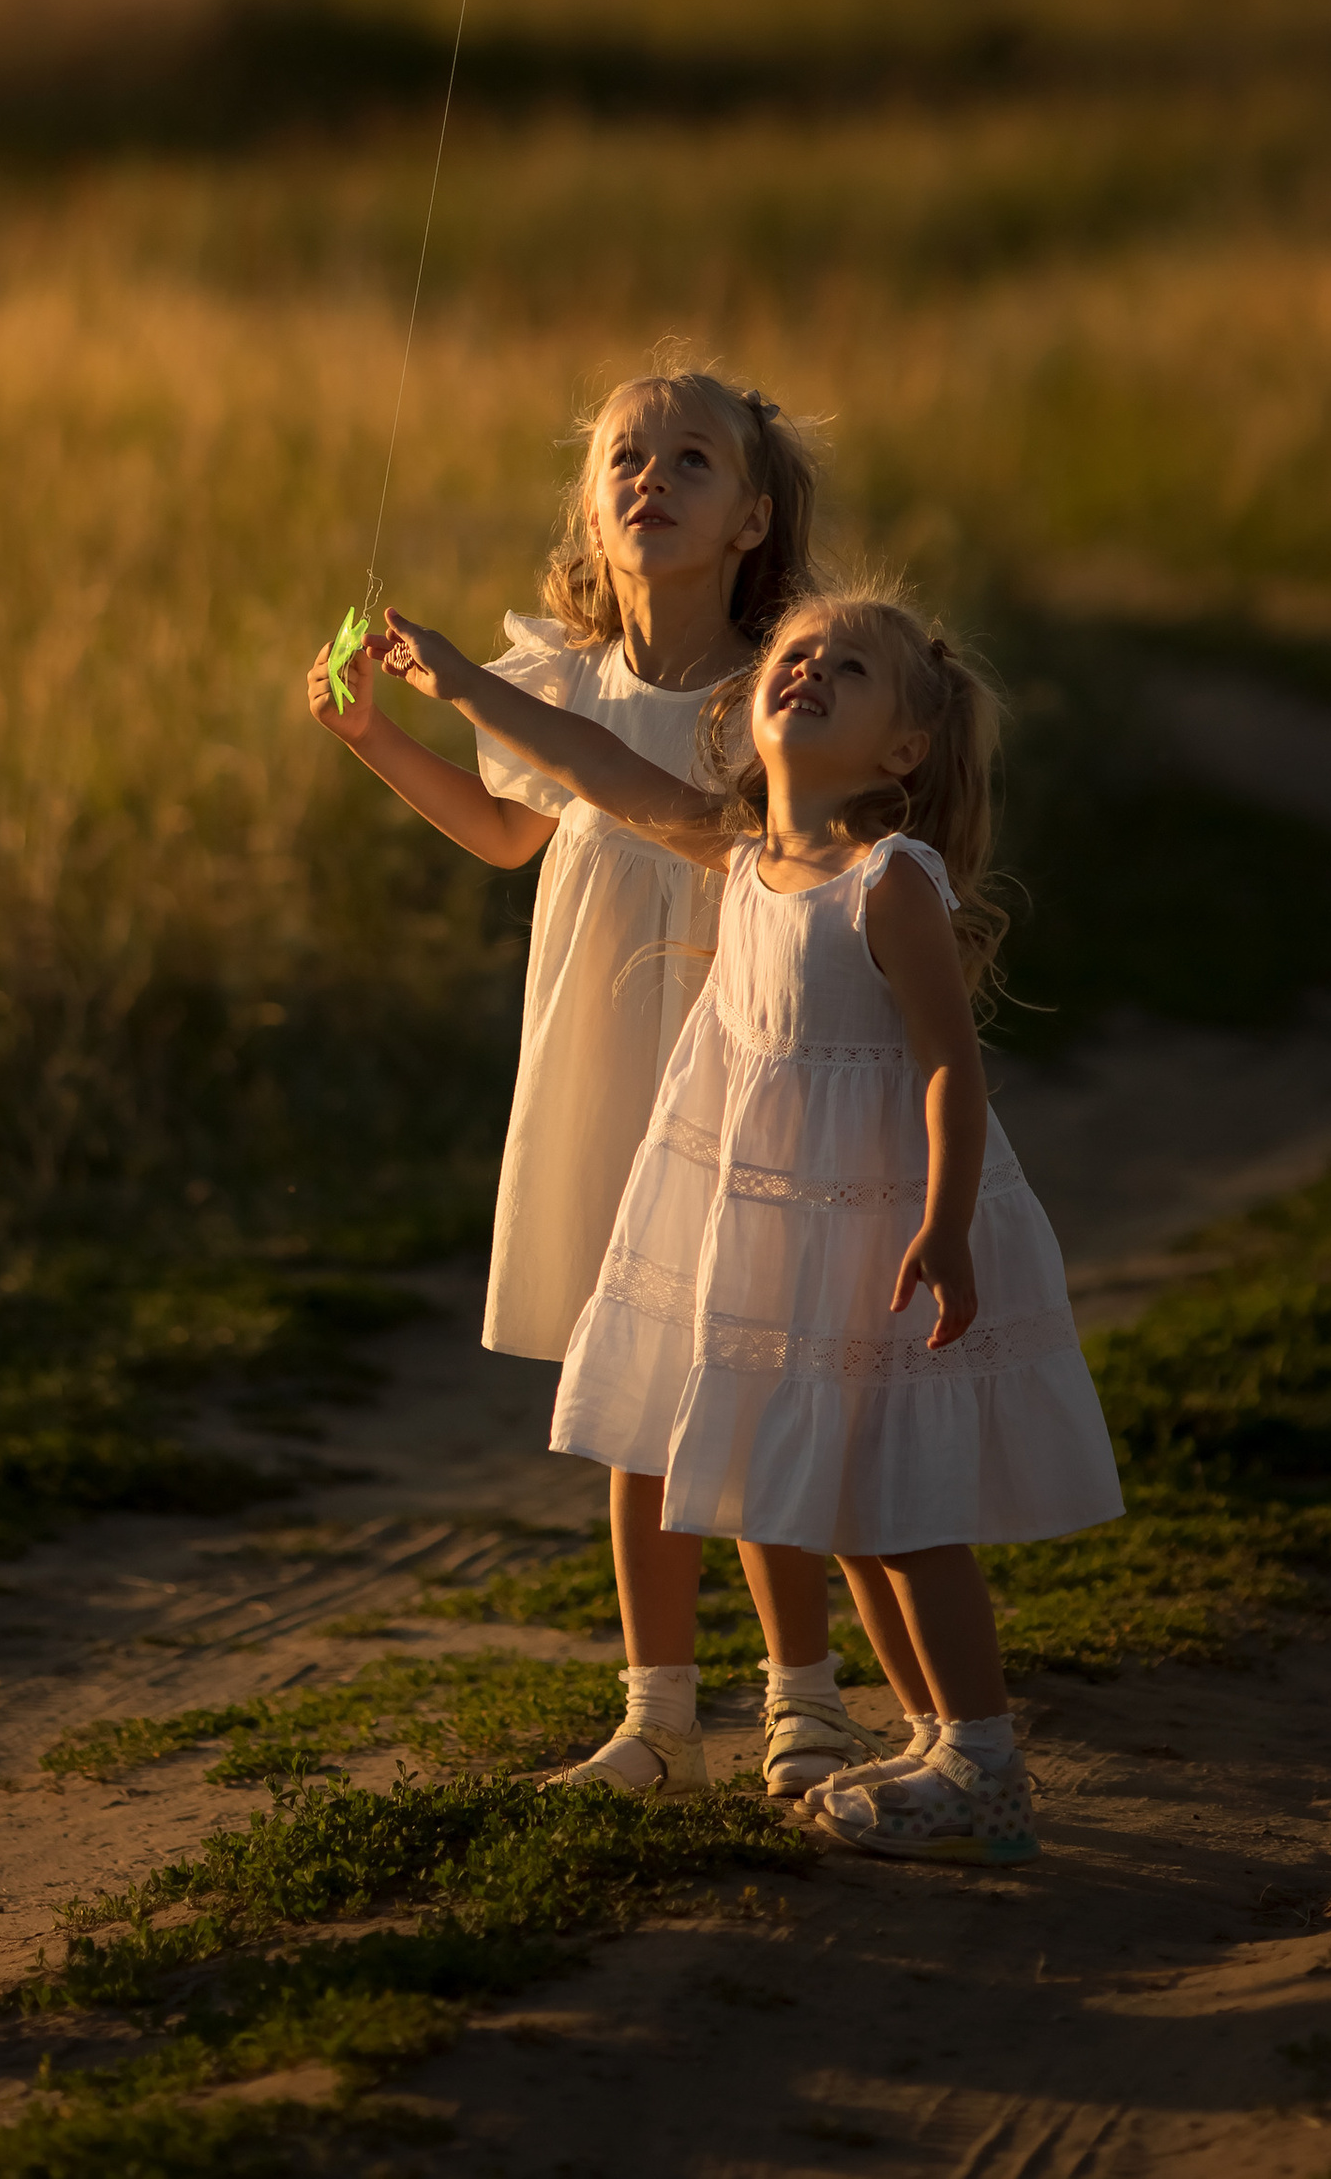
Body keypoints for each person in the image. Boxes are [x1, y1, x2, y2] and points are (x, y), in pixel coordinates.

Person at [373, 581, 1123, 1865]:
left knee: (904, 1514)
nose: (810, 671)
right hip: (792, 1238)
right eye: (797, 653)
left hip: (885, 1233)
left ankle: (985, 1761)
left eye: (851, 670)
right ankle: (938, 1744)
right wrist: (454, 685)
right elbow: (595, 765)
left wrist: (944, 1228)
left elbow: (952, 1065)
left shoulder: (888, 883)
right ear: (749, 706)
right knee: (849, 1513)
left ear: (903, 750)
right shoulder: (742, 855)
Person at [308, 365, 865, 1800]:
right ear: (593, 506)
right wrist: (380, 736)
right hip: (606, 1064)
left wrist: (471, 684)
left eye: (692, 458)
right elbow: (509, 831)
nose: (651, 478)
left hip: (736, 1066)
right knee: (637, 1380)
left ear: (751, 519)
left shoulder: (777, 693)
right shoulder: (564, 676)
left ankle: (805, 1699)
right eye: (626, 456)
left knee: (742, 1363)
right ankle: (658, 1718)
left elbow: (705, 833)